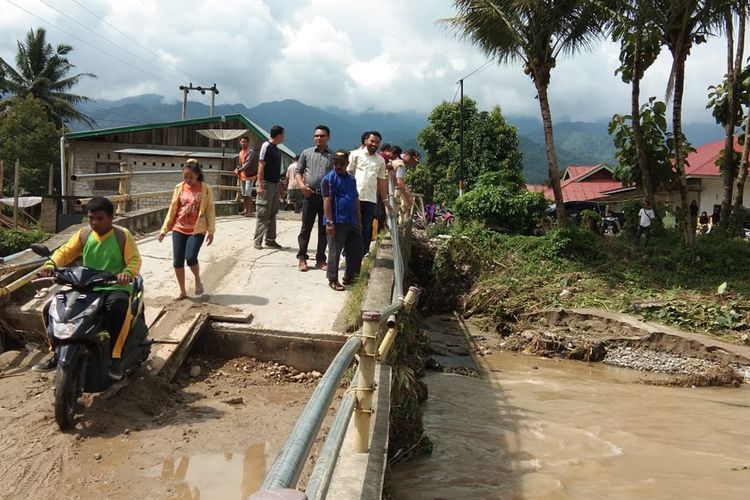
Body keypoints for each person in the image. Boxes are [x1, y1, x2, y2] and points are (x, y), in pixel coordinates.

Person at [33, 197, 142, 379]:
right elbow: (65, 251)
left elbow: (134, 260)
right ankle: (56, 351)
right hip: (84, 285)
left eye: (100, 218)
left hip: (112, 286)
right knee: (49, 309)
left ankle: (116, 357)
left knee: (119, 309)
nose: (94, 222)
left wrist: (127, 273)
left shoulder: (122, 235)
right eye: (91, 218)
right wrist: (50, 265)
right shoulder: (84, 234)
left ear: (111, 218)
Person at [159, 160, 216, 300]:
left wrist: (211, 230)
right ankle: (183, 291)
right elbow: (173, 209)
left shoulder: (205, 189)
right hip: (179, 228)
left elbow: (210, 210)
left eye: (190, 177)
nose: (188, 180)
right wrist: (164, 229)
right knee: (177, 262)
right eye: (185, 177)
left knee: (190, 258)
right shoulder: (179, 188)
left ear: (197, 175)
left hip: (197, 229)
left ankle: (197, 278)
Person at [322, 150, 363, 291]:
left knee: (356, 249)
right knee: (335, 251)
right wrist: (329, 222)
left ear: (347, 164)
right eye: (335, 163)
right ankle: (332, 279)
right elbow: (327, 201)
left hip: (351, 221)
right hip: (337, 222)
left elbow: (356, 198)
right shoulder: (328, 179)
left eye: (341, 163)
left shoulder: (351, 179)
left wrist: (359, 219)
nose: (338, 166)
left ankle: (350, 276)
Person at [294, 126, 333, 272]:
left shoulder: (332, 156)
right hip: (309, 195)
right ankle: (302, 258)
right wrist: (302, 187)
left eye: (322, 136)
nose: (318, 138)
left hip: (325, 198)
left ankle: (321, 259)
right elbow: (298, 171)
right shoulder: (306, 153)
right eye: (316, 136)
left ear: (328, 137)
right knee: (306, 228)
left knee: (324, 229)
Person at [348, 131, 391, 257]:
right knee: (352, 226)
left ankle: (362, 254)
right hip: (354, 197)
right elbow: (349, 174)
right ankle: (348, 254)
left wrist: (386, 201)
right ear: (366, 140)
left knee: (366, 227)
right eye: (372, 141)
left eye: (377, 142)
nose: (374, 144)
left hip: (370, 199)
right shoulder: (354, 154)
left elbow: (382, 182)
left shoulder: (380, 161)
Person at [254, 125, 285, 250]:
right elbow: (261, 165)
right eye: (283, 134)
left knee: (272, 213)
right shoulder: (266, 146)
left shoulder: (277, 149)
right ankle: (258, 240)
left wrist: (279, 189)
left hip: (274, 184)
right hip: (266, 184)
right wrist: (260, 184)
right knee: (263, 213)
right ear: (278, 135)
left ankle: (270, 239)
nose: (284, 137)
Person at [234, 135, 256, 217]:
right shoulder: (240, 153)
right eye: (242, 141)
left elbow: (247, 164)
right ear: (240, 142)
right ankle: (245, 210)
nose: (243, 143)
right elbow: (240, 164)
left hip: (250, 175)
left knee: (248, 193)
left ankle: (250, 211)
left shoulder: (250, 152)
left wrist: (238, 170)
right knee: (244, 193)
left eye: (245, 142)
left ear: (248, 143)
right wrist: (237, 169)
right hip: (242, 175)